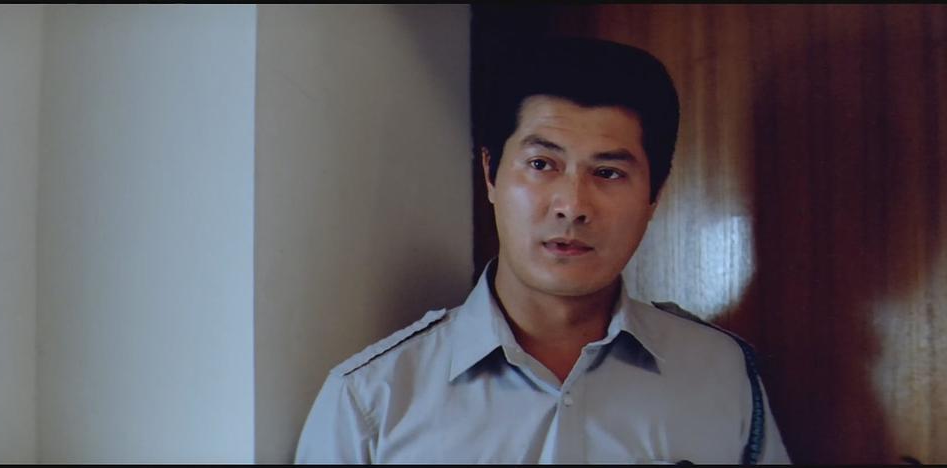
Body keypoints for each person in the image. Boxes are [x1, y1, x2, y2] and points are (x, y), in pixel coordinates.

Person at [294, 37, 790, 464]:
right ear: (490, 173)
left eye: (608, 172)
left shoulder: (722, 375)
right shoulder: (370, 400)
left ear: (654, 195)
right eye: (541, 164)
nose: (572, 205)